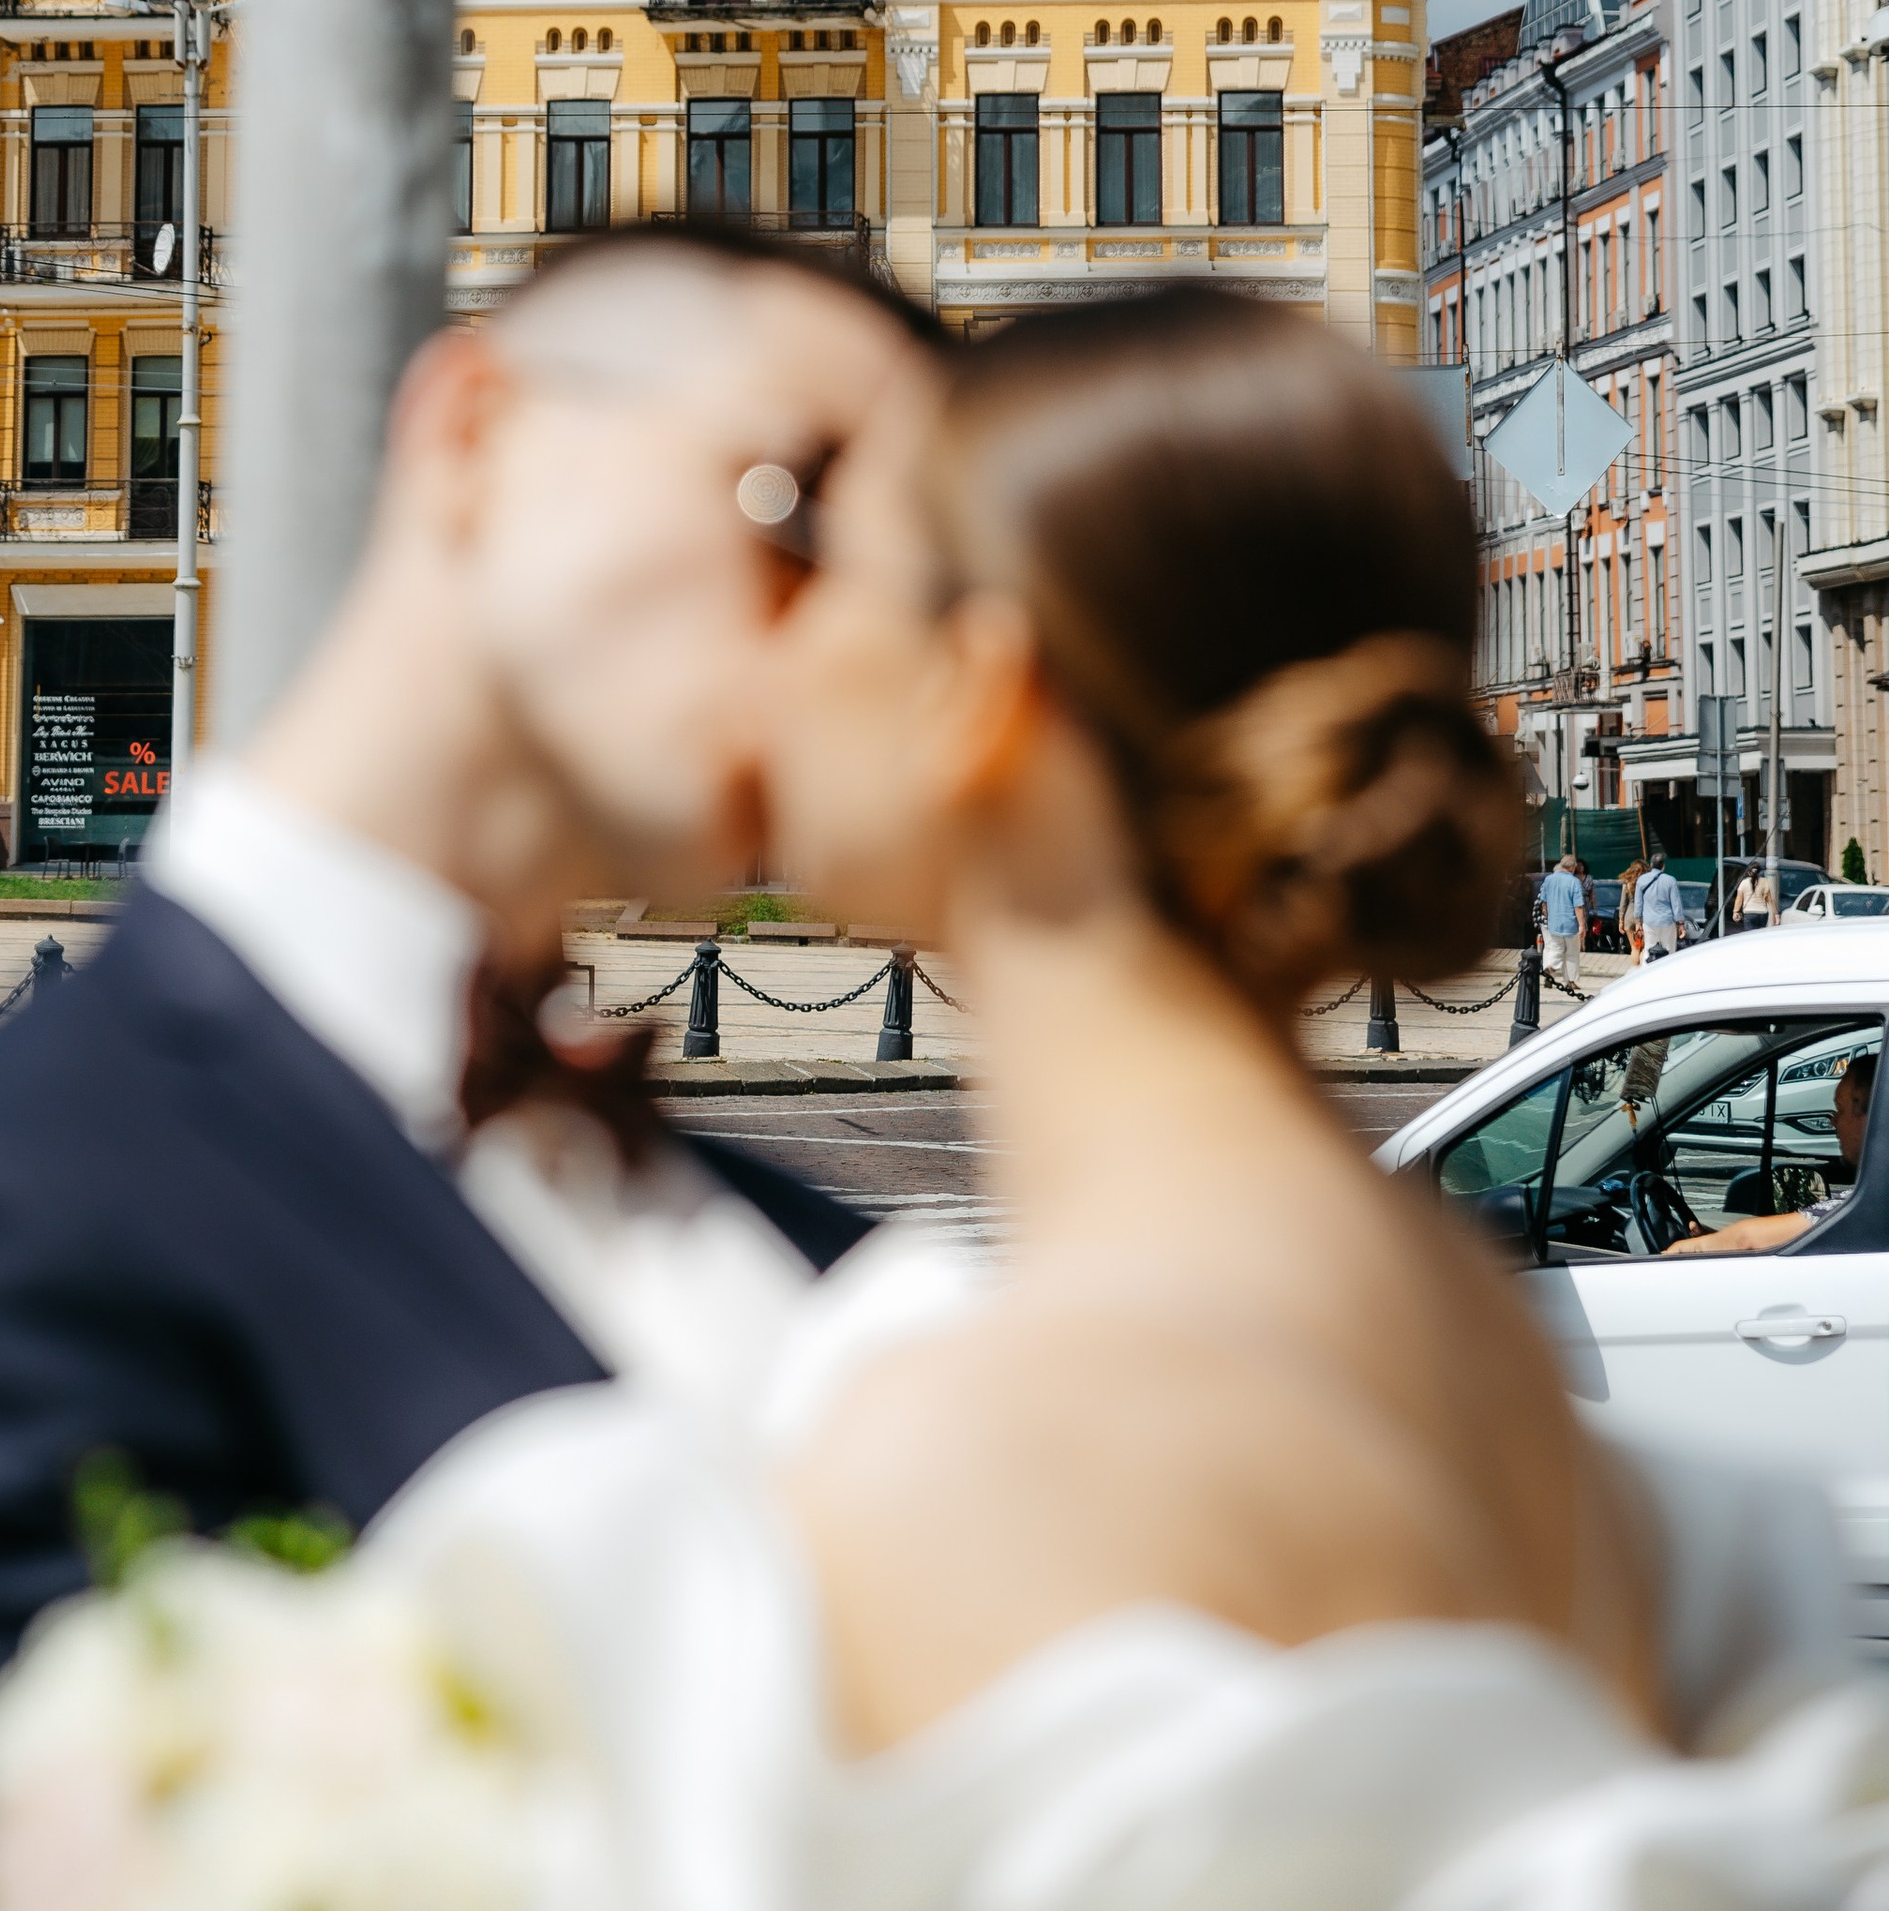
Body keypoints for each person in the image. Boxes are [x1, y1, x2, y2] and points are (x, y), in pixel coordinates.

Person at [158, 290, 1884, 1911]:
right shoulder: (1501, 1384)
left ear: (975, 697)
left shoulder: (925, 1476)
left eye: (817, 546)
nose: (766, 622)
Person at [0, 223, 937, 1911]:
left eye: (923, 589)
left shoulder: (834, 1270)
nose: (849, 647)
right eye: (800, 504)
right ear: (474, 434)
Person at [1670, 1050, 1875, 1258]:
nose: (1834, 1122)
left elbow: (1747, 1239)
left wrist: (1695, 1248)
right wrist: (1720, 1241)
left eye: (1840, 1109)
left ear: (1874, 1115)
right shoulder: (1871, 1199)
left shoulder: (1874, 1203)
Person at [1537, 846, 1588, 994]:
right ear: (1572, 868)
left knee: (1556, 948)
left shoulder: (1549, 879)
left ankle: (1551, 967)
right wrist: (1581, 925)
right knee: (1572, 953)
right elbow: (1578, 906)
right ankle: (1570, 981)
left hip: (1554, 922)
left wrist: (1547, 916)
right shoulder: (1574, 882)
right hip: (1570, 923)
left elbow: (1544, 902)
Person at [1632, 849, 1685, 960]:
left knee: (1649, 950)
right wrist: (1680, 924)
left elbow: (1638, 903)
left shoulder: (1641, 880)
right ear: (1663, 866)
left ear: (1651, 865)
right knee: (1670, 951)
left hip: (1649, 922)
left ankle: (1647, 972)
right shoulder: (1671, 881)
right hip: (1667, 922)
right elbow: (1676, 904)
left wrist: (1638, 923)